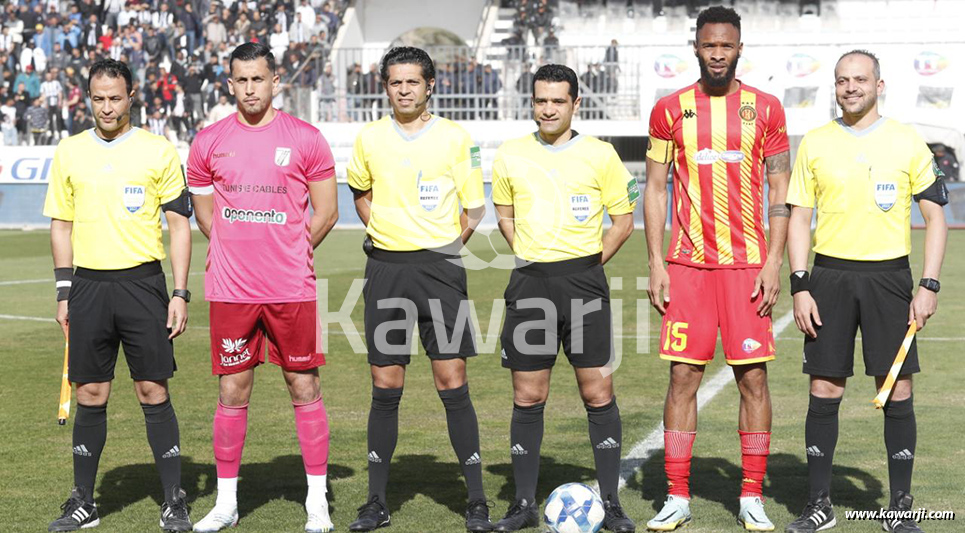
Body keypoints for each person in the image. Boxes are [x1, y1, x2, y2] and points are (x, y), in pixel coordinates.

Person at [784, 50, 949, 533]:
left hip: (890, 280)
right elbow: (798, 217)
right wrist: (800, 285)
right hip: (829, 278)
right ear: (834, 87)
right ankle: (819, 505)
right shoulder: (815, 143)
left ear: (880, 85)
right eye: (842, 80)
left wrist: (929, 283)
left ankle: (900, 507)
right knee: (824, 386)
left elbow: (935, 216)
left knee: (896, 387)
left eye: (860, 79)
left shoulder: (906, 141)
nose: (850, 87)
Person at [642, 6, 791, 532]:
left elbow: (780, 188)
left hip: (748, 266)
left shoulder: (767, 108)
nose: (718, 53)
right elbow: (656, 188)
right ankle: (677, 496)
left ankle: (752, 494)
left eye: (726, 45)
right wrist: (657, 262)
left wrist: (774, 261)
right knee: (683, 374)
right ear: (697, 47)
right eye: (709, 45)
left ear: (740, 47)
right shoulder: (669, 109)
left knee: (753, 377)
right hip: (687, 266)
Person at [187, 42, 339, 533]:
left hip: (293, 287)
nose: (250, 88)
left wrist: (291, 248)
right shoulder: (208, 141)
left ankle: (317, 502)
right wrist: (241, 249)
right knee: (232, 390)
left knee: (304, 385)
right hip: (231, 289)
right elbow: (207, 216)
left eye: (259, 79)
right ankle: (226, 504)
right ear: (229, 84)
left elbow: (328, 211)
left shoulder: (307, 138)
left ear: (276, 82)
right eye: (241, 80)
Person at [345, 46, 492, 533]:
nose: (403, 90)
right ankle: (376, 502)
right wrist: (390, 234)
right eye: (394, 82)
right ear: (384, 87)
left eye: (412, 82)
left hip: (440, 274)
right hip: (386, 272)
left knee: (452, 382)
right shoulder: (368, 138)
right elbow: (361, 194)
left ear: (431, 85)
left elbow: (474, 210)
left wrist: (442, 250)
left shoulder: (456, 138)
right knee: (385, 386)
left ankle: (476, 501)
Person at [43, 58, 193, 532]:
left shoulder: (158, 150)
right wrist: (64, 291)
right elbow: (61, 226)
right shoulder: (69, 152)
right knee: (90, 391)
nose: (106, 107)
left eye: (115, 97)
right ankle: (83, 501)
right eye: (98, 98)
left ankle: (174, 499)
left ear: (131, 97)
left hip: (143, 285)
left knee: (152, 389)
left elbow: (178, 225)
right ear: (89, 97)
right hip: (88, 286)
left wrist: (180, 291)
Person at [491, 63, 637, 533]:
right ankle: (522, 504)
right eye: (540, 100)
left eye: (558, 100)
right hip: (531, 284)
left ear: (576, 103)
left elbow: (622, 222)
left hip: (584, 285)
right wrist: (534, 258)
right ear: (531, 102)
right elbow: (505, 217)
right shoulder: (510, 154)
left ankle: (611, 503)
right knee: (528, 394)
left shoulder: (601, 155)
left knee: (598, 392)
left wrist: (589, 265)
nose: (548, 108)